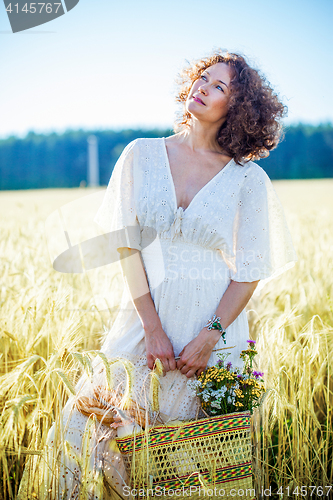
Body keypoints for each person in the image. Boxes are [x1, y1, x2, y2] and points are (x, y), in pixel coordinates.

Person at [44, 50, 298, 499]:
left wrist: (209, 336)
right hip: (145, 319)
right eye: (204, 78)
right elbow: (127, 244)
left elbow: (250, 270)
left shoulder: (248, 179)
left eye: (219, 87)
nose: (204, 87)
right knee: (86, 432)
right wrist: (152, 327)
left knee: (189, 462)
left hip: (211, 328)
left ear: (236, 108)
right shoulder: (140, 155)